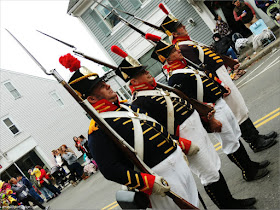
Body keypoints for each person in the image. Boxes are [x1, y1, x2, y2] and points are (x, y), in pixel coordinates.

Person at [111, 47, 257, 209]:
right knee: (208, 174)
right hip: (186, 138)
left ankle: (231, 202)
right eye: (141, 73)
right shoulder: (139, 102)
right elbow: (156, 129)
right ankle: (228, 206)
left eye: (144, 70)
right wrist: (180, 143)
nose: (147, 73)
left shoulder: (156, 90)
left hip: (195, 130)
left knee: (213, 168)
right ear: (134, 82)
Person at [59, 53, 200, 209]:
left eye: (104, 82)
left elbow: (155, 128)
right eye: (100, 86)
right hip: (159, 178)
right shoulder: (97, 130)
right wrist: (147, 182)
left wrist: (181, 144)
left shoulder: (127, 106)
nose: (107, 85)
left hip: (179, 163)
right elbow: (110, 169)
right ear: (91, 99)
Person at [146, 37, 271, 184]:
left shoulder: (185, 66)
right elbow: (190, 102)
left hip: (220, 102)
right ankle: (248, 171)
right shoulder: (174, 78)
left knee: (235, 136)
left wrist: (219, 90)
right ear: (167, 59)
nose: (178, 50)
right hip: (212, 111)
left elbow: (206, 80)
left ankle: (250, 164)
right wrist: (209, 119)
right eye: (173, 51)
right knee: (230, 143)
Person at [155, 7, 277, 153]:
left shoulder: (188, 42)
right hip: (217, 79)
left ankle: (256, 136)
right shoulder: (183, 47)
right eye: (180, 27)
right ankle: (255, 141)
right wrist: (219, 85)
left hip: (221, 74)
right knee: (236, 111)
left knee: (239, 107)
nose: (184, 27)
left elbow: (210, 55)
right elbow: (201, 70)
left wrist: (229, 62)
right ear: (174, 33)